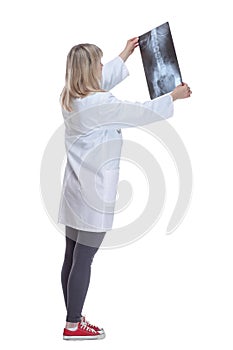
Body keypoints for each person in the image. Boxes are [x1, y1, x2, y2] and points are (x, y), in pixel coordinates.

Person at [58, 37, 192, 341]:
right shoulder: (99, 104)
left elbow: (95, 83)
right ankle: (73, 324)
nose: (103, 67)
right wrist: (173, 96)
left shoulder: (69, 97)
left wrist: (126, 54)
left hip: (75, 191)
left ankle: (73, 317)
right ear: (90, 69)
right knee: (84, 260)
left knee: (72, 257)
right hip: (93, 194)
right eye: (100, 63)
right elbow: (140, 112)